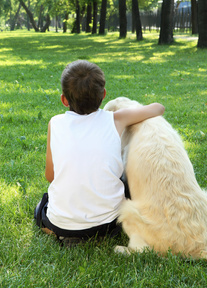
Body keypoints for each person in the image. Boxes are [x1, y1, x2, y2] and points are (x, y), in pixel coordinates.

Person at [34, 60, 165, 246]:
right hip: (110, 225)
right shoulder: (116, 120)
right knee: (126, 185)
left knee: (42, 206)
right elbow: (158, 108)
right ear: (103, 95)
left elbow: (50, 176)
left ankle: (57, 231)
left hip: (61, 225)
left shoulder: (55, 123)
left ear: (64, 99)